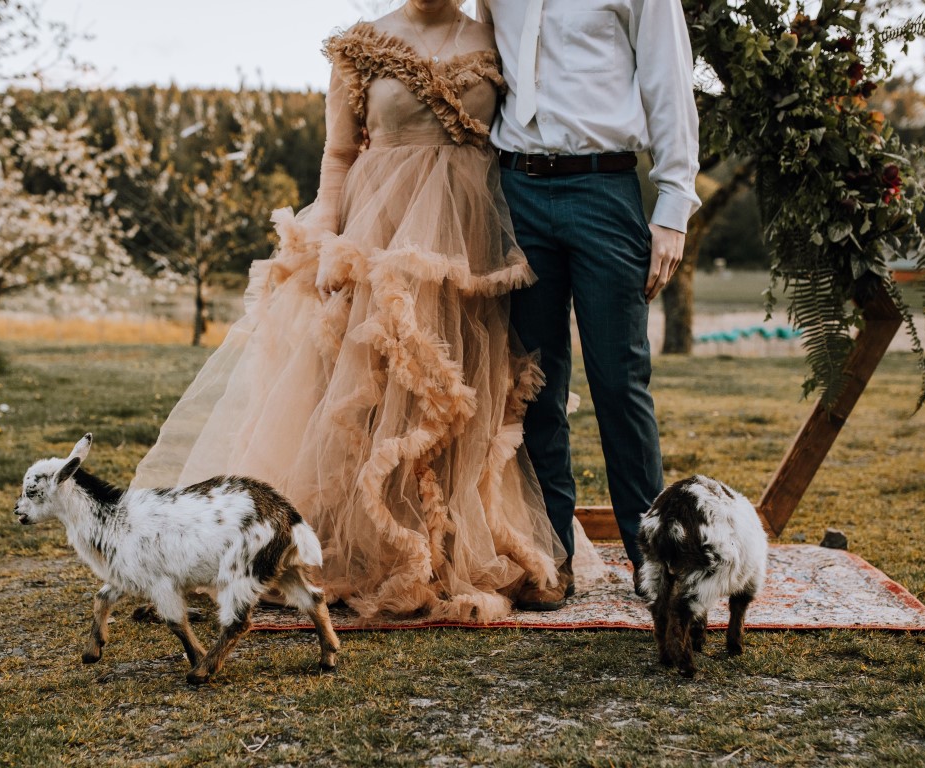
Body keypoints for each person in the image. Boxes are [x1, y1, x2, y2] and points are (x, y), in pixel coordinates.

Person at [132, 0, 604, 623]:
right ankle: (352, 542)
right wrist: (328, 236)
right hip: (377, 234)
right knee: (371, 391)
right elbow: (338, 155)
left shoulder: (499, 36)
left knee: (459, 394)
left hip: (470, 237)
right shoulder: (361, 44)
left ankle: (450, 548)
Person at [477, 0, 702, 604]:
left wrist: (674, 208)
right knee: (535, 384)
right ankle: (551, 556)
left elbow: (668, 81)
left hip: (604, 187)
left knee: (618, 380)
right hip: (516, 190)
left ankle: (650, 557)